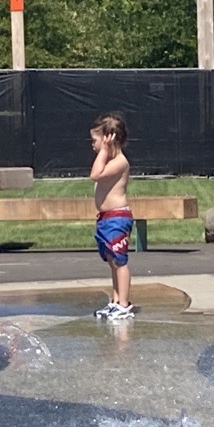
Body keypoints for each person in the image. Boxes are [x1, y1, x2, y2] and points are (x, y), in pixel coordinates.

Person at [89, 112, 134, 320]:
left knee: (119, 261)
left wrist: (104, 151)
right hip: (106, 218)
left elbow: (95, 175)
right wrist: (104, 152)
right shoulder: (110, 162)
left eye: (95, 140)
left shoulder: (120, 162)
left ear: (109, 139)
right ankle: (116, 300)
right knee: (111, 261)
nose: (93, 145)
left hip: (117, 218)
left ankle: (124, 304)